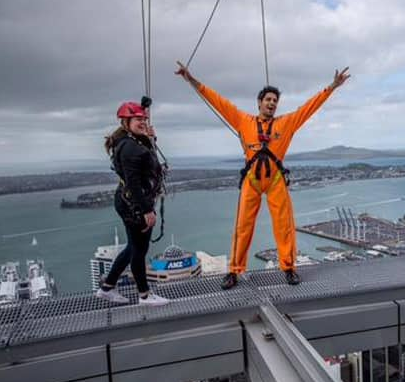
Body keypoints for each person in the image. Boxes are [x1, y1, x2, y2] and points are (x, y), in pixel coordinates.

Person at [175, 63, 350, 289]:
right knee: (243, 226)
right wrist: (191, 79)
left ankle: (288, 268)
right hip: (253, 180)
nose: (272, 103)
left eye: (275, 101)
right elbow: (217, 101)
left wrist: (332, 86)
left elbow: (309, 108)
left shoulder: (285, 124)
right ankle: (234, 271)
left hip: (275, 179)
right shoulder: (243, 121)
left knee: (284, 225)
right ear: (259, 102)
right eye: (268, 99)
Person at [96, 101, 170, 306]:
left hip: (131, 201)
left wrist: (150, 139)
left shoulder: (134, 141)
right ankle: (144, 295)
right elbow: (133, 182)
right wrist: (146, 210)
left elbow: (147, 161)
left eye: (144, 119)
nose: (143, 122)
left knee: (132, 247)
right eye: (138, 119)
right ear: (126, 122)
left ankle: (107, 287)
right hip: (134, 204)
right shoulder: (129, 147)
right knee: (139, 250)